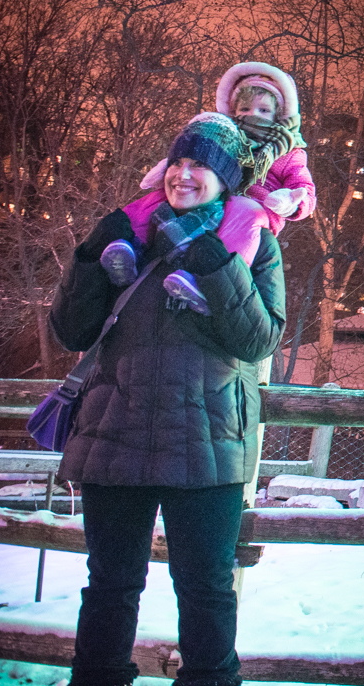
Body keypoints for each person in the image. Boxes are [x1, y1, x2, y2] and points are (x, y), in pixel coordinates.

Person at [49, 112, 286, 686]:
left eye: (200, 164)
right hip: (115, 438)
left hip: (206, 446)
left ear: (225, 178)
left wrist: (212, 260)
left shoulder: (250, 241)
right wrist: (89, 257)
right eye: (177, 162)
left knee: (205, 590)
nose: (184, 174)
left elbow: (258, 339)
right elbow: (71, 332)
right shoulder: (129, 236)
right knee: (109, 585)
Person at [121, 63, 317, 301]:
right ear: (233, 111)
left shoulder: (288, 152)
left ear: (278, 114)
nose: (253, 115)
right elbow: (199, 155)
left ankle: (216, 287)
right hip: (216, 198)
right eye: (245, 108)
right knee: (160, 198)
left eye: (263, 110)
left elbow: (304, 187)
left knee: (245, 210)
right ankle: (130, 247)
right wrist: (168, 169)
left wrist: (292, 201)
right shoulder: (225, 138)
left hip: (259, 207)